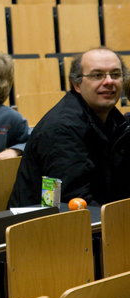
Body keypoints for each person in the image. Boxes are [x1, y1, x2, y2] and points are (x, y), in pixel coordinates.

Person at [9, 48, 130, 207]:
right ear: (77, 84)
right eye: (97, 75)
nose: (109, 81)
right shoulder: (63, 129)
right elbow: (73, 201)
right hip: (42, 226)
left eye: (115, 74)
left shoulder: (114, 121)